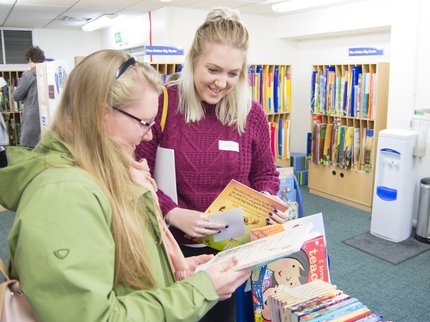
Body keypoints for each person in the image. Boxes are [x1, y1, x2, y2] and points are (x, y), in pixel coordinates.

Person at [0, 49, 251, 322]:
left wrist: (176, 271)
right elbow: (95, 317)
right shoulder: (64, 195)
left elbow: (117, 273)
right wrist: (199, 291)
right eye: (144, 123)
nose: (148, 135)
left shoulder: (107, 171)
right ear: (99, 113)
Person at [135, 7, 286, 321]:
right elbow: (135, 174)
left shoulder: (251, 113)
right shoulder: (164, 104)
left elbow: (264, 173)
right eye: (213, 70)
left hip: (230, 252)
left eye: (233, 74)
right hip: (172, 250)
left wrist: (268, 197)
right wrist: (173, 213)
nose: (222, 82)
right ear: (193, 61)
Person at [12, 45, 45, 148]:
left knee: (29, 148)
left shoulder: (29, 74)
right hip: (46, 119)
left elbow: (16, 96)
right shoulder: (48, 72)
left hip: (32, 119)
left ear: (29, 59)